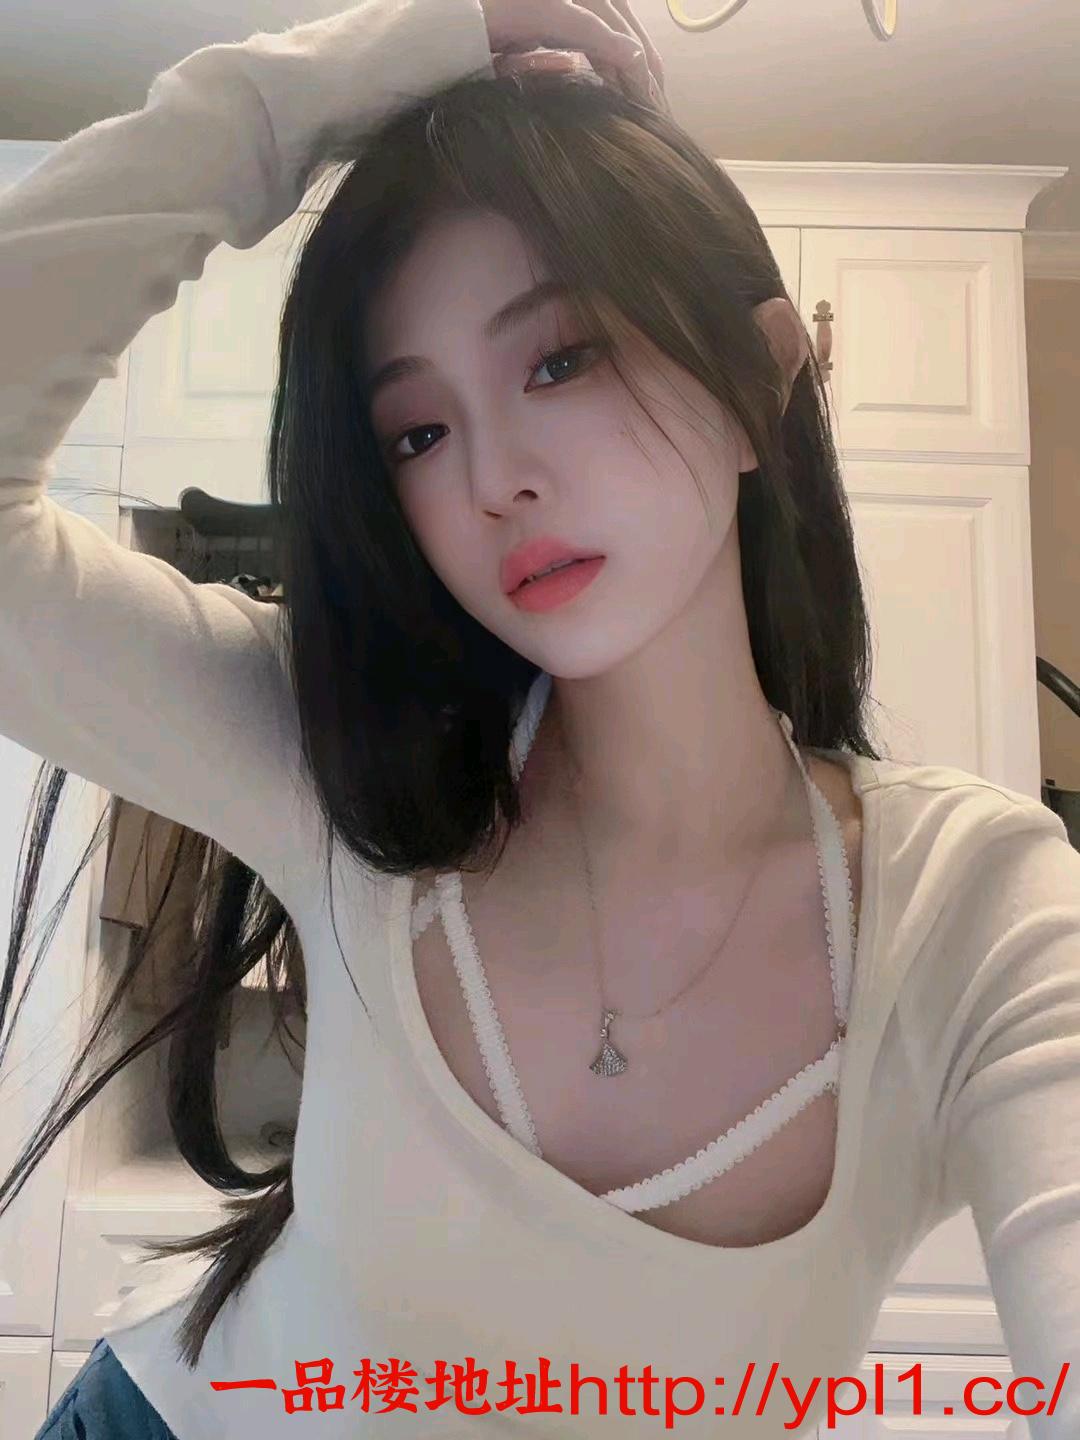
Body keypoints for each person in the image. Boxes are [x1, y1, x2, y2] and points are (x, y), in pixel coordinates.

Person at [0, 0, 1077, 1435]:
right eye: (418, 431)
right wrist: (346, 74)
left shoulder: (971, 913)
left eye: (560, 359)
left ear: (760, 382)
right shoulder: (344, 764)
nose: (492, 477)